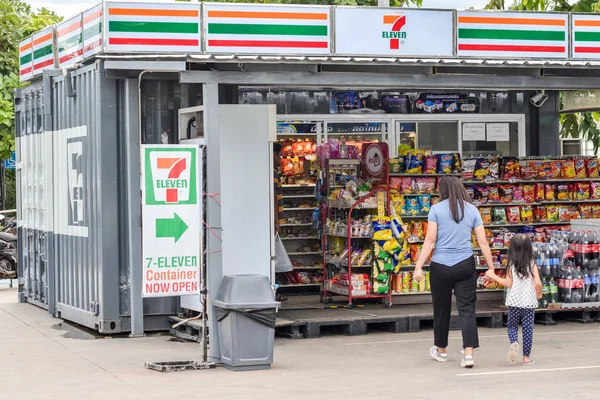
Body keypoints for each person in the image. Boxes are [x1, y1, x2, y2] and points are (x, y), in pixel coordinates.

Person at [413, 176, 495, 369]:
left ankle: (441, 350)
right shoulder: (472, 210)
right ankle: (468, 354)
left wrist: (418, 267)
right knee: (467, 309)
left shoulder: (436, 209)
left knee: (441, 309)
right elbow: (483, 242)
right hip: (465, 265)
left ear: (443, 190)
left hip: (440, 266)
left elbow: (430, 240)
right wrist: (491, 268)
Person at [485, 234, 542, 365]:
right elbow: (538, 282)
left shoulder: (511, 265)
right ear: (529, 248)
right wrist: (538, 293)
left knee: (512, 327)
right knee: (528, 329)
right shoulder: (532, 264)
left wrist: (493, 276)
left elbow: (508, 283)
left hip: (514, 302)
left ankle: (514, 342)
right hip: (528, 303)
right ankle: (526, 358)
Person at [273, 142, 292, 301]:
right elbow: (273, 195)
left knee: (274, 257)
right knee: (273, 257)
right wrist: (276, 221)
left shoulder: (272, 172)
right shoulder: (273, 173)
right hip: (273, 221)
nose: (280, 159)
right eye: (279, 156)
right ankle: (274, 290)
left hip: (273, 220)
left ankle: (275, 289)